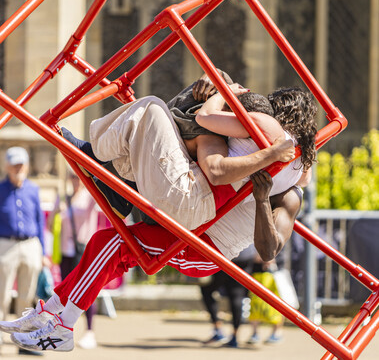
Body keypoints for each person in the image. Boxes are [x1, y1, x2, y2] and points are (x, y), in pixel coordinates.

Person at [0, 76, 317, 351]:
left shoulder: (288, 190)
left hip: (206, 247)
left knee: (115, 246)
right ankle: (52, 310)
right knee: (103, 242)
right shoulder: (244, 144)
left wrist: (262, 198)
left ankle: (64, 323)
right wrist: (214, 86)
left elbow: (269, 248)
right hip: (188, 222)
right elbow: (202, 129)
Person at [0, 147, 47, 356]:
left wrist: (43, 252)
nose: (18, 168)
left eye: (21, 164)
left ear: (26, 166)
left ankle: (23, 341)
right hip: (5, 245)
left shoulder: (33, 190)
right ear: (7, 166)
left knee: (27, 296)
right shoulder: (0, 189)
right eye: (14, 164)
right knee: (1, 295)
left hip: (30, 245)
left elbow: (40, 221)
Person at [48, 170, 98, 349]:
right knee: (66, 292)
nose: (75, 180)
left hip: (83, 249)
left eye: (77, 177)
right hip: (65, 251)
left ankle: (90, 331)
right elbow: (50, 225)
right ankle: (64, 331)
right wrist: (56, 211)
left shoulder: (88, 197)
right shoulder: (62, 198)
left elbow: (100, 192)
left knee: (86, 290)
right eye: (72, 177)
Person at [201, 244, 255, 348]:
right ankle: (234, 336)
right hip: (245, 254)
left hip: (225, 253)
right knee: (236, 295)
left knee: (206, 289)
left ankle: (218, 329)